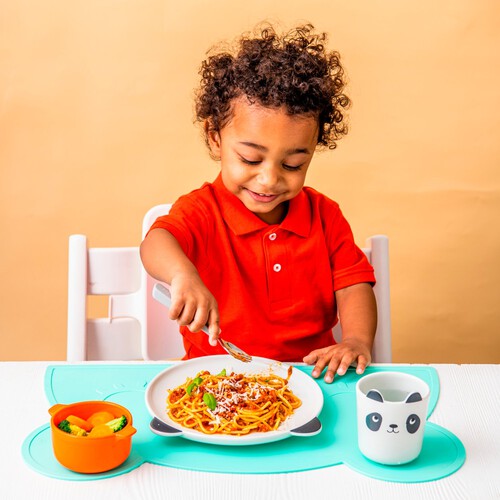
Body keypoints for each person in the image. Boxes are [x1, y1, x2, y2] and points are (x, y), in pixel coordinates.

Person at [140, 23, 377, 383]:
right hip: (213, 376)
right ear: (215, 138)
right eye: (251, 159)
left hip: (310, 376)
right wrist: (182, 275)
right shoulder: (202, 210)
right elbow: (157, 242)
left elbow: (353, 284)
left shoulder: (324, 216)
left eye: (293, 164)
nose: (270, 179)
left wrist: (357, 339)